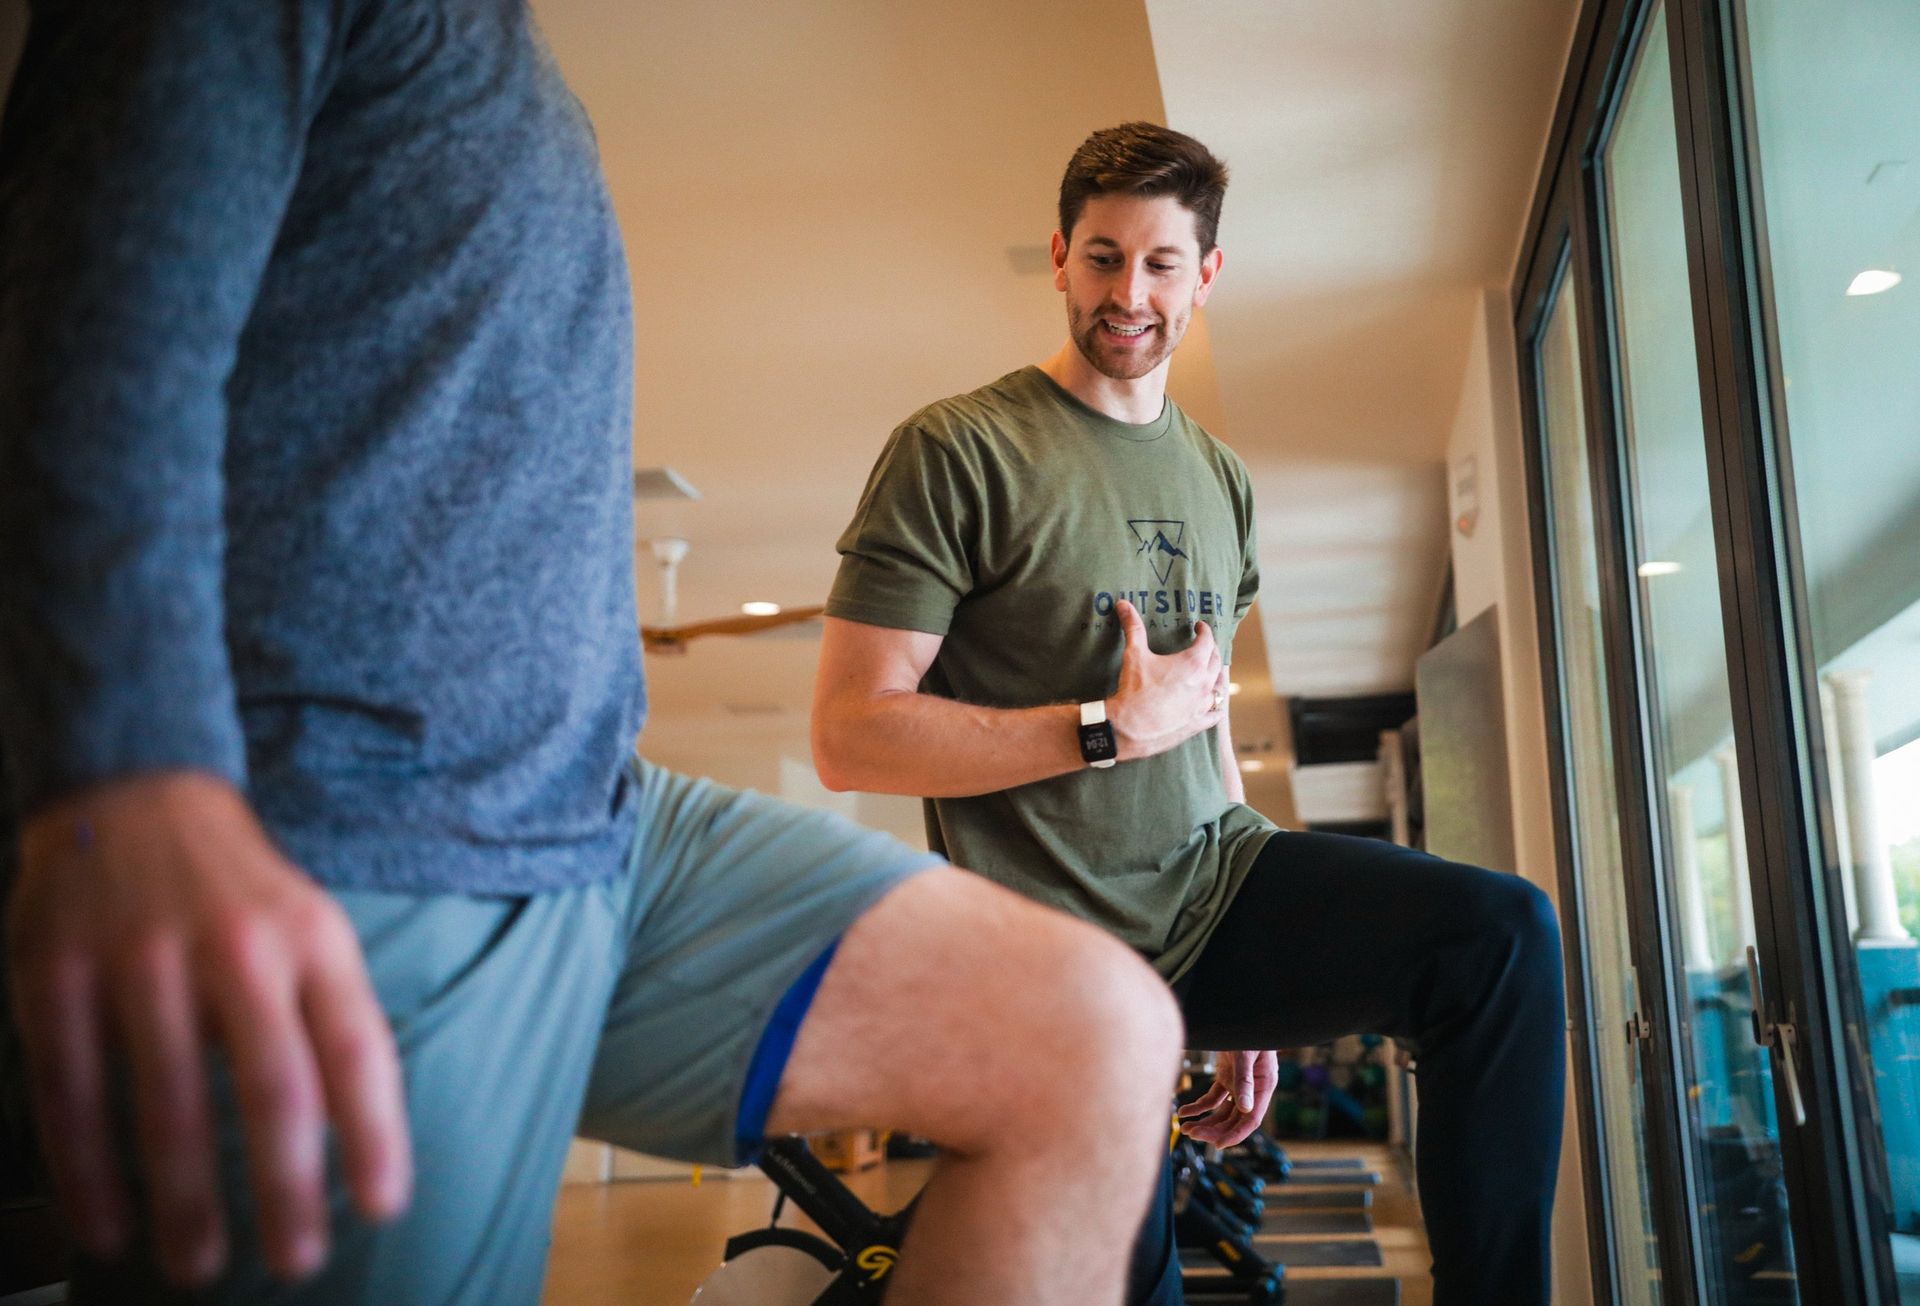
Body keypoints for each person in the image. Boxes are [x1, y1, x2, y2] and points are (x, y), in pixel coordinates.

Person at [0, 7, 1184, 1303]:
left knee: (1091, 1040)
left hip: (603, 824)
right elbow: (88, 321)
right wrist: (129, 770)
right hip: (358, 822)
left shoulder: (518, 66)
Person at [812, 121, 1568, 1306]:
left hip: (1216, 892)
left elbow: (1205, 721)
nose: (1130, 293)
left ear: (1205, 274)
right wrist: (1102, 727)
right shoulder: (959, 448)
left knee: (1500, 938)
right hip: (1053, 958)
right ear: (1059, 257)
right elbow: (851, 733)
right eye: (1104, 257)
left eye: (1162, 263)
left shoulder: (1221, 477)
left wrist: (1258, 991)